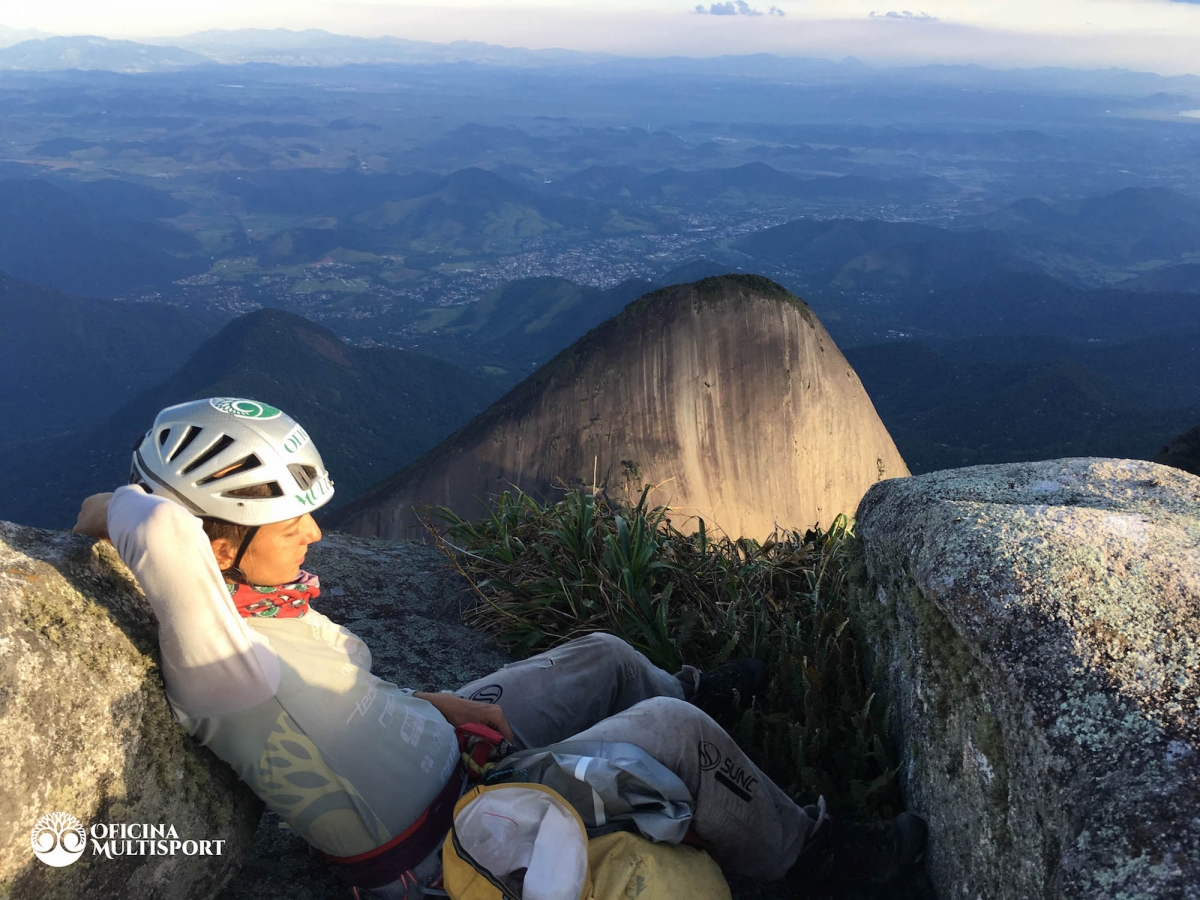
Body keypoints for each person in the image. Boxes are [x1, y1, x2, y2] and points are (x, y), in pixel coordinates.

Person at [73, 397, 926, 898]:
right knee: (672, 732)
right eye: (281, 518)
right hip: (455, 842)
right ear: (215, 545)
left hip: (445, 747)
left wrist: (434, 706)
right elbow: (151, 527)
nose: (314, 529)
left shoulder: (264, 607)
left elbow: (348, 702)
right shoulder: (225, 668)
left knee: (605, 656)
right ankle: (813, 857)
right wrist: (114, 510)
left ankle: (697, 698)